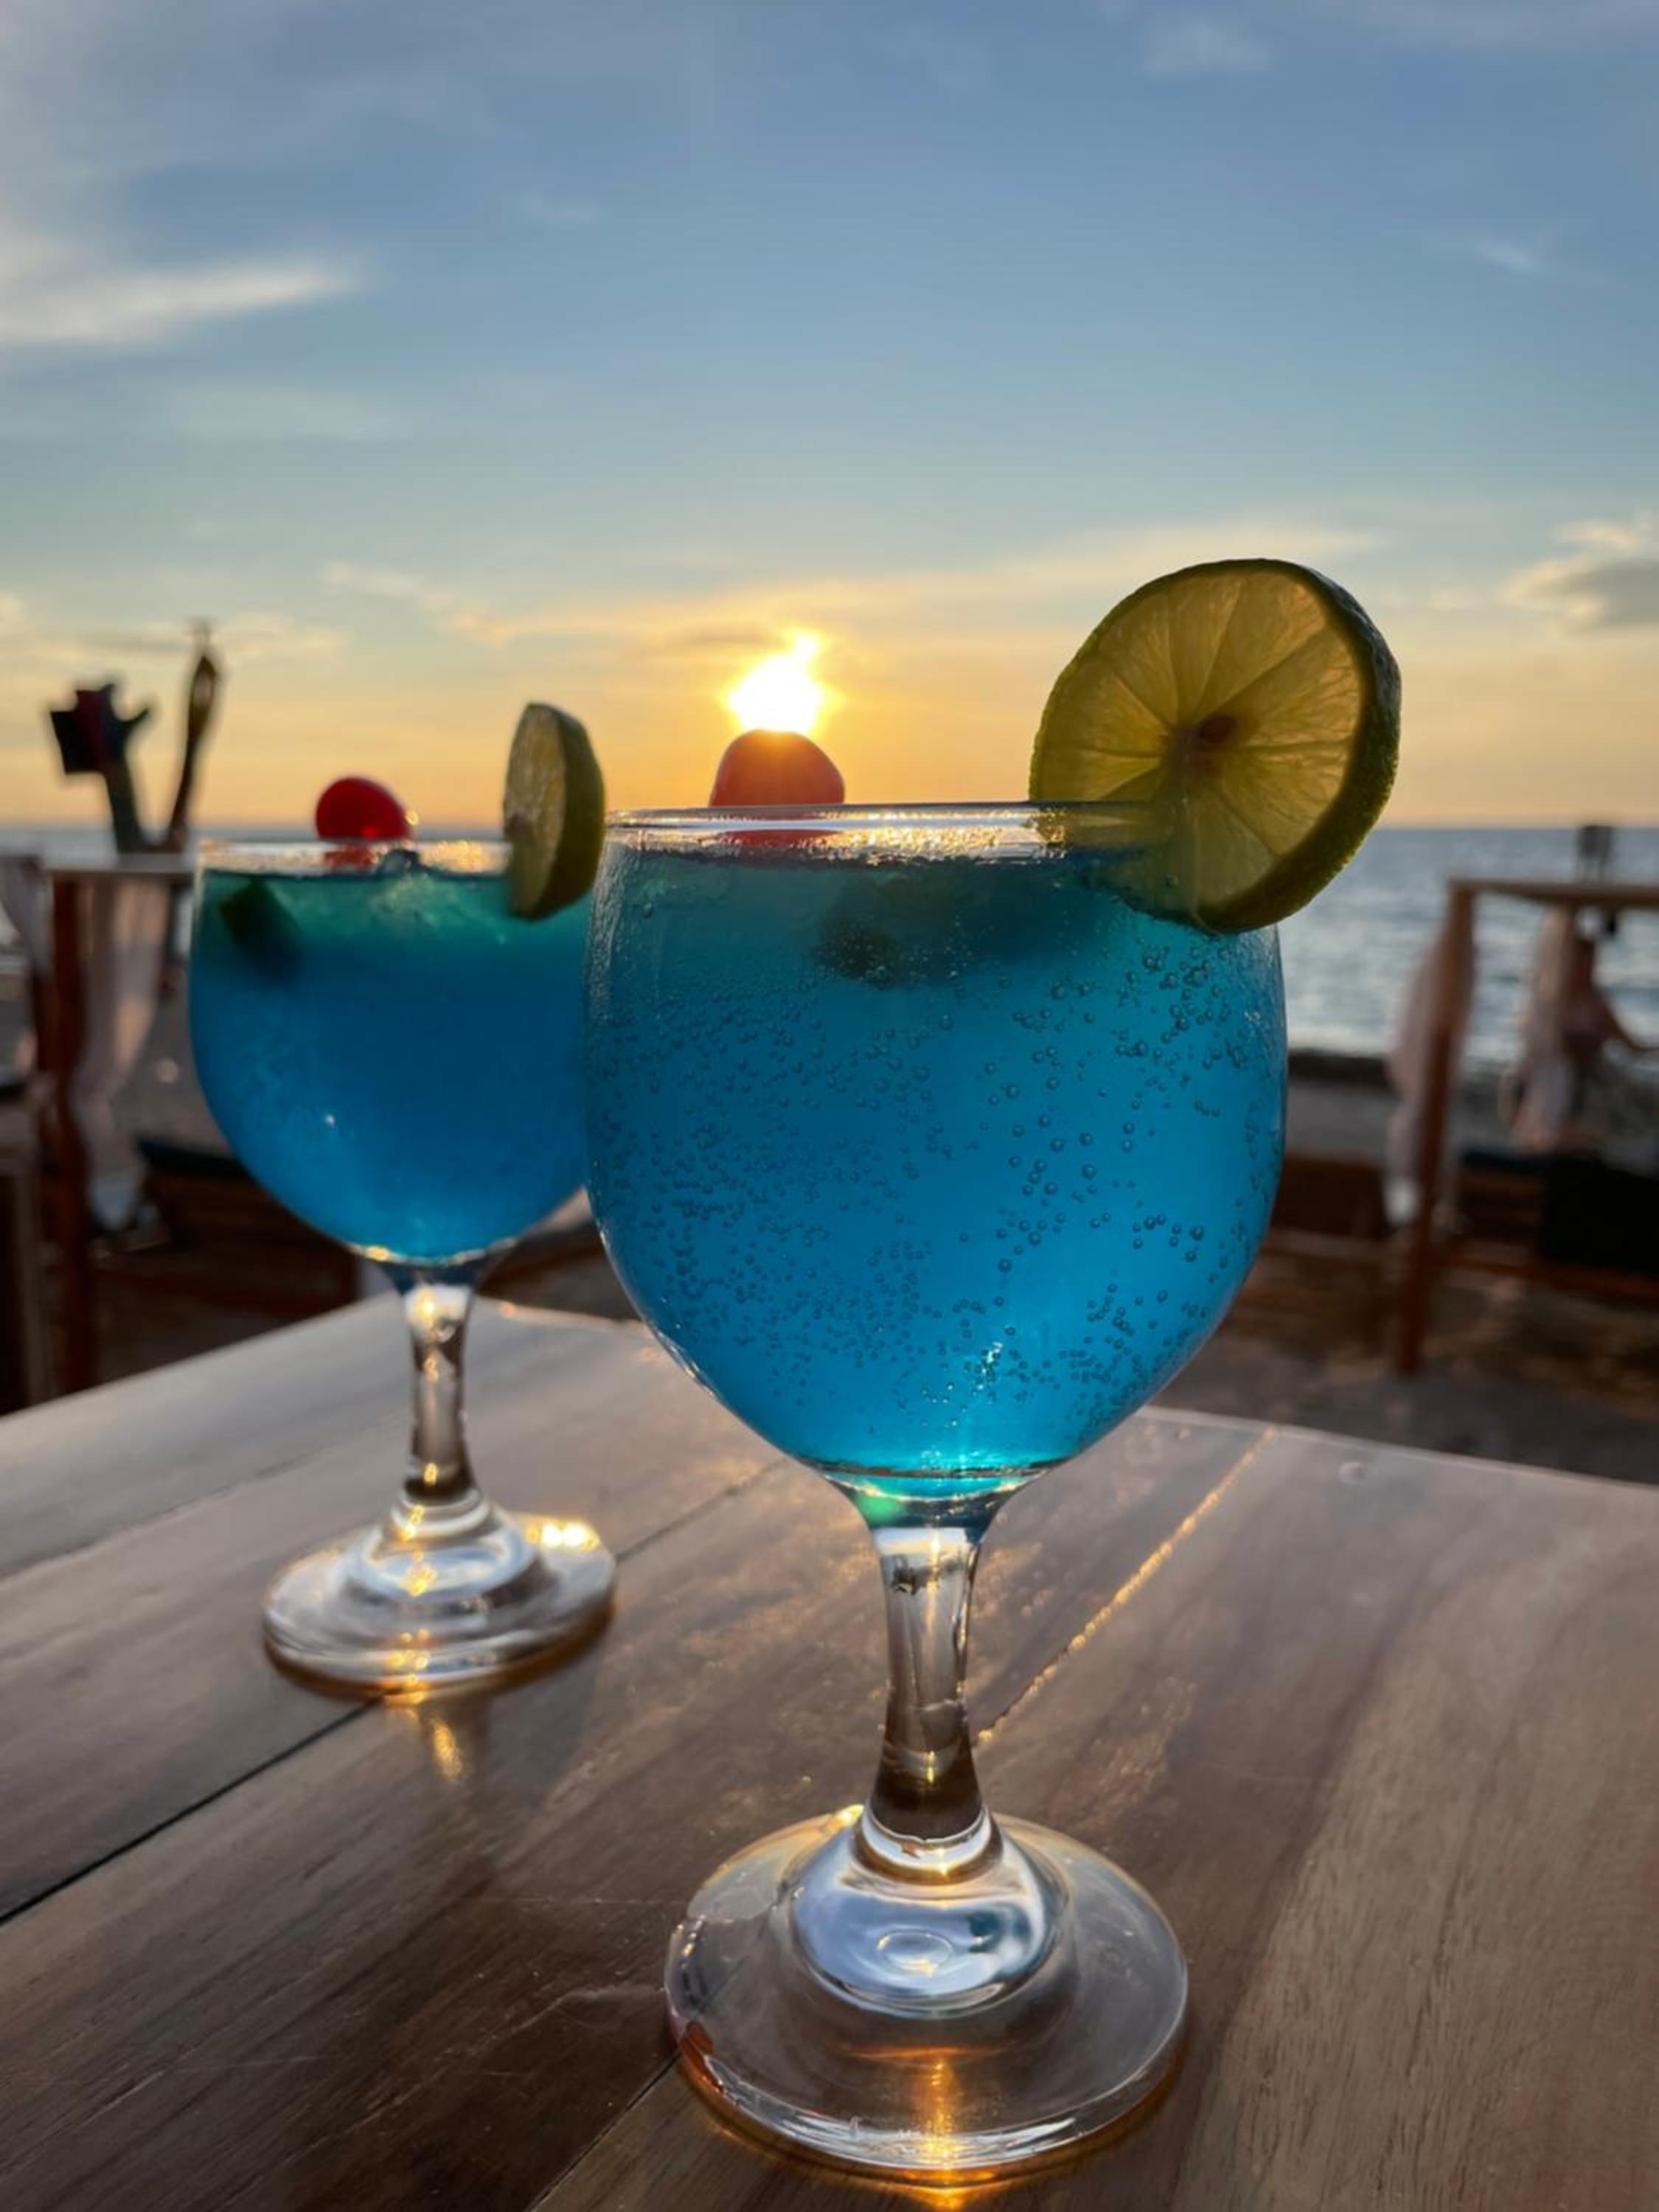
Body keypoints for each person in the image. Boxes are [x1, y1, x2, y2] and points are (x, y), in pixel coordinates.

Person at [1508, 909, 1656, 1155]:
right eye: (1582, 962)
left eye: (1591, 962)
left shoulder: (1596, 1002)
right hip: (1551, 1079)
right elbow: (1537, 1042)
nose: (1588, 969)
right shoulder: (1549, 1002)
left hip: (1586, 1082)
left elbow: (1632, 1046)